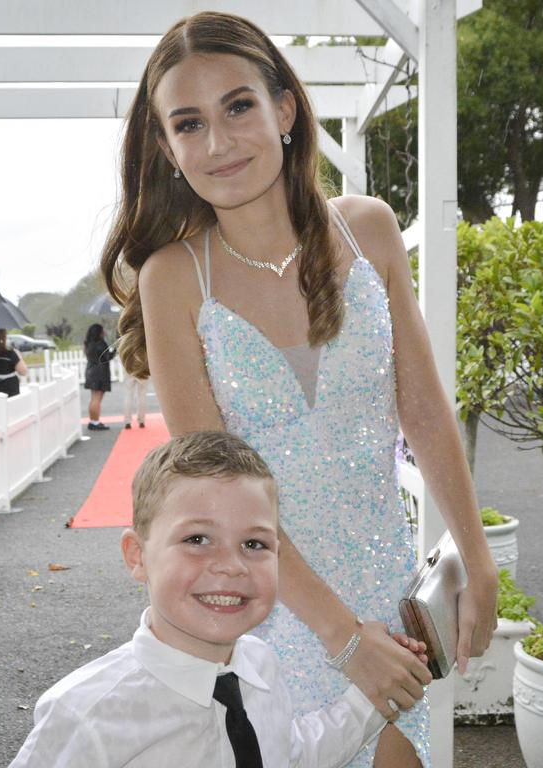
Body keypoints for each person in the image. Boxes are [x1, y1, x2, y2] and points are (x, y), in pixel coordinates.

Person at [99, 12, 498, 766]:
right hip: (266, 614)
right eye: (189, 123)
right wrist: (342, 640)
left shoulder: (369, 231)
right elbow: (214, 492)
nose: (218, 142)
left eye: (238, 106)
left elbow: (423, 412)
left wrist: (477, 560)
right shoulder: (175, 278)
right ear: (166, 147)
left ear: (284, 109)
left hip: (386, 598)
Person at [11, 431, 428, 768]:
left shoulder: (260, 666)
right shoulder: (89, 714)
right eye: (197, 539)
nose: (231, 565)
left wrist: (374, 696)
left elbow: (288, 755)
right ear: (137, 556)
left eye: (254, 543)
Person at [83, 323, 115, 431]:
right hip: (100, 373)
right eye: (103, 330)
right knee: (97, 399)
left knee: (93, 398)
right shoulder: (101, 343)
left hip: (91, 371)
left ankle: (93, 421)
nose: (104, 332)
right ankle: (96, 422)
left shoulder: (88, 343)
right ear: (99, 332)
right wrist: (114, 351)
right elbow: (107, 357)